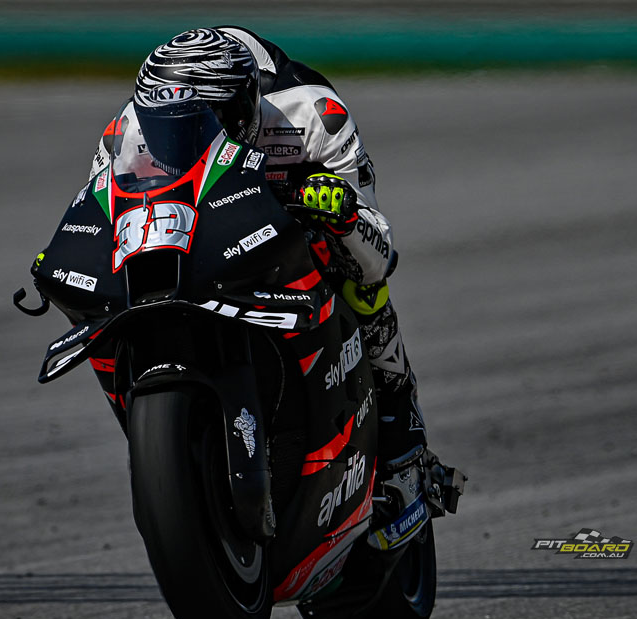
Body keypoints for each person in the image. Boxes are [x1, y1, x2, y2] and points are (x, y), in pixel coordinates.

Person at [87, 27, 445, 526]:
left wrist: (342, 213)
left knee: (362, 284)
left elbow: (378, 254)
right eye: (169, 127)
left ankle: (403, 441)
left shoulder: (314, 114)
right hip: (197, 238)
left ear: (247, 103)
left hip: (288, 237)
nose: (186, 138)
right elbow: (98, 220)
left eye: (212, 121)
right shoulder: (125, 130)